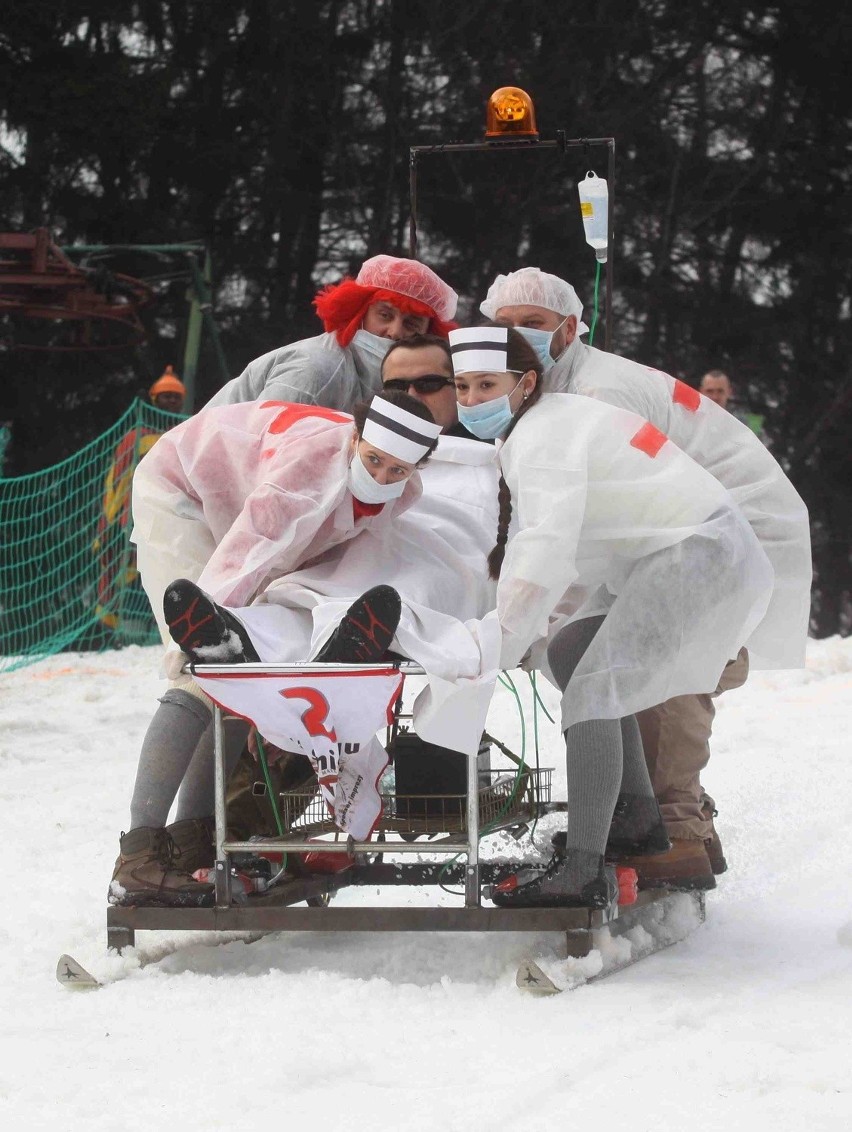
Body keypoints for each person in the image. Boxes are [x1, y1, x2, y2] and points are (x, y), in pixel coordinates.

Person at [481, 268, 811, 887]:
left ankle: (675, 832)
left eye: (531, 323)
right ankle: (649, 821)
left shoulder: (597, 391)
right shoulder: (546, 391)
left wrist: (513, 623)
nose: (516, 336)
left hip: (721, 532)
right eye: (502, 326)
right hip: (678, 534)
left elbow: (564, 531)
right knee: (594, 650)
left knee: (661, 672)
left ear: (570, 328)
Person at [109, 390, 441, 907]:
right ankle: (138, 854)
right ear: (355, 439)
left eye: (397, 470)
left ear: (415, 469)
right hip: (182, 490)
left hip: (237, 506)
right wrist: (194, 646)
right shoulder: (310, 471)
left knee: (247, 675)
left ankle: (194, 837)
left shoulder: (406, 490)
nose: (381, 475)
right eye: (373, 459)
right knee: (207, 671)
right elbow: (251, 547)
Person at [206, 255, 458, 414]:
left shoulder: (399, 383)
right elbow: (260, 446)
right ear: (359, 312)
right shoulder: (315, 371)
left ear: (429, 333)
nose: (394, 332)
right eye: (384, 315)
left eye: (411, 324)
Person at [94, 367, 187, 636]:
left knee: (165, 575)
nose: (170, 401)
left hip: (171, 518)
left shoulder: (185, 431)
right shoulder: (135, 437)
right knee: (125, 573)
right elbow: (118, 479)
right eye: (165, 396)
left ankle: (156, 630)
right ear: (154, 399)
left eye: (175, 396)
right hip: (132, 518)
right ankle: (118, 632)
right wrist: (115, 516)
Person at [700, 368, 767, 438]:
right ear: (701, 392)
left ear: (729, 392)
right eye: (709, 391)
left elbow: (760, 447)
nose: (715, 397)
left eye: (720, 391)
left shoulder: (751, 424)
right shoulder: (692, 423)